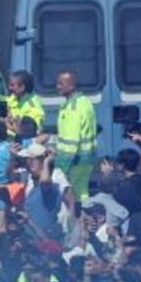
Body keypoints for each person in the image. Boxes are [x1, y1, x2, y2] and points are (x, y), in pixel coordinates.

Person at [54, 68, 98, 197]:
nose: (57, 87)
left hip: (74, 162)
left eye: (61, 84)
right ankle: (86, 215)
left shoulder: (73, 108)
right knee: (81, 192)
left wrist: (62, 168)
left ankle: (80, 216)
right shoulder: (85, 102)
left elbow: (71, 143)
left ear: (72, 85)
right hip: (86, 159)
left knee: (72, 195)